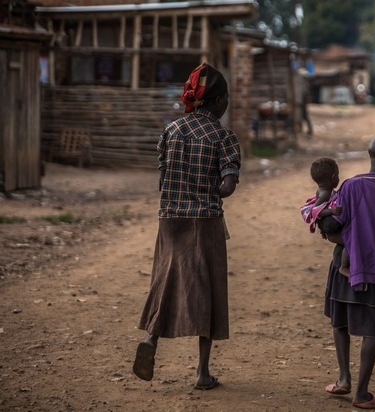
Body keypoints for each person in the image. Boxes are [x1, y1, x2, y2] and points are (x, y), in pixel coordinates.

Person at [133, 62, 241, 391]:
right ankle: (202, 372)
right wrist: (211, 187)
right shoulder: (223, 137)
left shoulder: (171, 130)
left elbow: (163, 179)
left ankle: (152, 338)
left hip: (169, 218)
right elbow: (227, 185)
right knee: (207, 288)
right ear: (219, 102)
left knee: (167, 277)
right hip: (205, 220)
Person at [318, 136, 375, 409]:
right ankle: (361, 393)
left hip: (346, 264)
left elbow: (335, 224)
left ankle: (343, 378)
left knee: (340, 321)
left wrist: (323, 219)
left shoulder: (350, 185)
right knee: (372, 331)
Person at [300, 157, 350, 275]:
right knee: (350, 242)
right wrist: (331, 212)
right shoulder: (325, 193)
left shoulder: (324, 190)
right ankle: (344, 267)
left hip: (327, 222)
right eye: (337, 175)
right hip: (329, 220)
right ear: (333, 177)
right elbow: (315, 211)